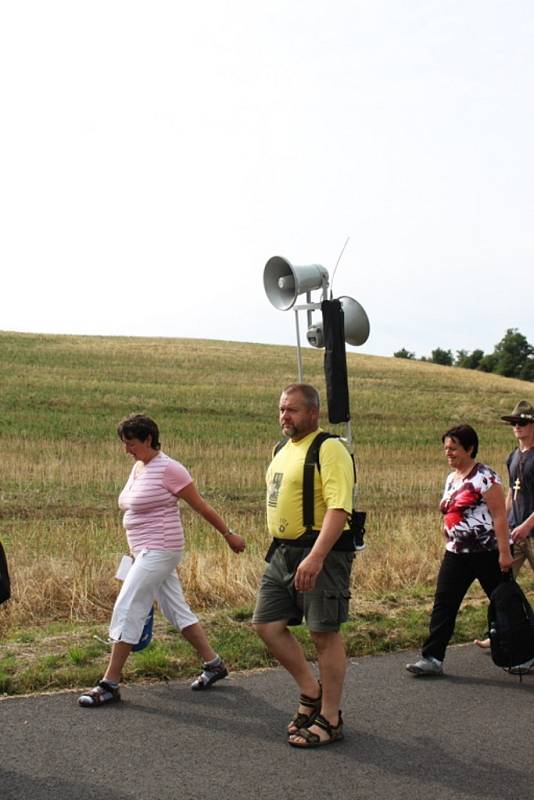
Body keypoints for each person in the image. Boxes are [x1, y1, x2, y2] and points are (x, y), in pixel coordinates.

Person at [78, 413, 245, 707]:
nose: (126, 449)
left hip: (162, 549)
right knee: (176, 610)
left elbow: (200, 505)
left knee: (129, 605)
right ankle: (214, 664)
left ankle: (109, 684)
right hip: (144, 551)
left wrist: (228, 534)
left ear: (148, 439)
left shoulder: (170, 469)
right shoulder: (140, 468)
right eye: (124, 443)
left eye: (130, 443)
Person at [253, 383, 356, 748]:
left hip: (320, 552)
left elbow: (338, 507)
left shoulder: (329, 448)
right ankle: (310, 691)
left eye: (292, 410)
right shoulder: (281, 448)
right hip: (282, 552)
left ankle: (330, 717)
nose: (284, 416)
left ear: (313, 412)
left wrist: (316, 556)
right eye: (282, 409)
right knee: (266, 624)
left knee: (323, 633)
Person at [406, 424, 513, 677]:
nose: (448, 453)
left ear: (470, 448)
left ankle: (521, 653)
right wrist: (447, 528)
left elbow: (499, 515)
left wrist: (504, 552)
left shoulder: (485, 476)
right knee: (444, 603)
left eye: (453, 448)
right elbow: (451, 509)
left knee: (503, 604)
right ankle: (432, 657)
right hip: (456, 553)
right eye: (446, 448)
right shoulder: (452, 478)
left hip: (486, 552)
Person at [474, 400, 534, 670]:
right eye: (514, 424)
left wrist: (528, 525)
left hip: (531, 531)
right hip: (515, 531)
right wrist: (502, 521)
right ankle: (501, 632)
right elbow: (511, 492)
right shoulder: (513, 456)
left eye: (521, 423)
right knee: (502, 583)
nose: (517, 428)